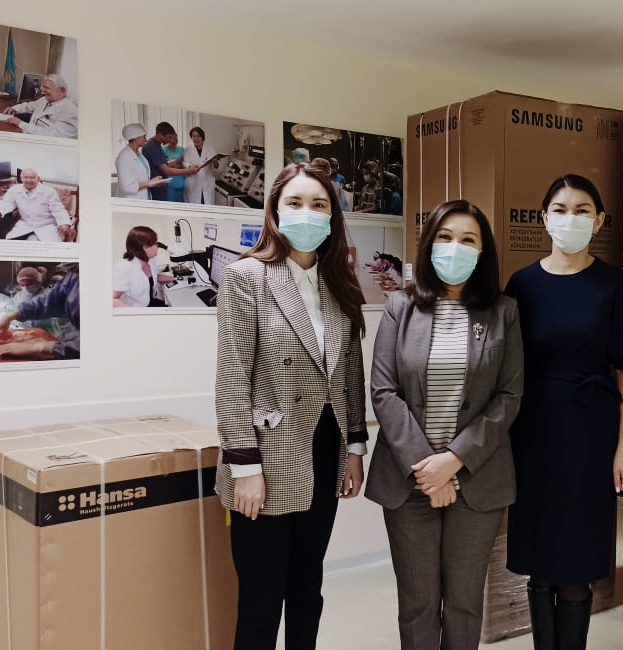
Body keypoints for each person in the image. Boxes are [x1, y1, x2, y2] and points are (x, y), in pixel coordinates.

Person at [215, 161, 368, 650]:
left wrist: (355, 449)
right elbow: (232, 377)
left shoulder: (339, 283)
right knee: (261, 602)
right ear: (275, 211)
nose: (308, 213)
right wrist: (244, 468)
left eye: (319, 204)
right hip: (266, 457)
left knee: (307, 592)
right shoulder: (247, 277)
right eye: (295, 202)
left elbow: (350, 374)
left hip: (324, 452)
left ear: (332, 216)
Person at [367, 199, 524, 650]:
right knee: (417, 604)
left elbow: (509, 396)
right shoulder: (400, 307)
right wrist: (427, 468)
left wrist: (453, 461)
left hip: (477, 480)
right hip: (409, 481)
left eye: (468, 239)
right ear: (429, 244)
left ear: (482, 251)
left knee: (464, 604)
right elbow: (384, 391)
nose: (456, 247)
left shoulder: (504, 311)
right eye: (446, 237)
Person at [506, 174, 623, 650]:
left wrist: (621, 449)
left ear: (599, 221)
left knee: (575, 566)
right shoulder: (522, 284)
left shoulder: (614, 284)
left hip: (591, 434)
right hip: (533, 434)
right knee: (540, 564)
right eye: (560, 209)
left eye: (582, 210)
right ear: (543, 218)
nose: (571, 219)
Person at [0, 265, 81, 359]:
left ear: (38, 282)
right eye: (23, 284)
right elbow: (50, 301)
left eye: (29, 283)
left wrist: (43, 347)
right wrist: (10, 316)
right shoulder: (73, 278)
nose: (26, 287)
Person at [0, 169, 74, 242]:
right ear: (21, 178)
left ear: (38, 179)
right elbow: (7, 202)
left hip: (46, 225)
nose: (29, 180)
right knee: (11, 242)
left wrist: (64, 223)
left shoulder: (49, 191)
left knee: (33, 242)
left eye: (32, 178)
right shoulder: (15, 190)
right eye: (26, 177)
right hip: (26, 224)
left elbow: (58, 209)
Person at [113, 226, 174, 308]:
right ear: (145, 247)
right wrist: (135, 314)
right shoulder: (124, 267)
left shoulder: (150, 259)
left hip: (150, 302)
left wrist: (176, 279)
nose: (158, 247)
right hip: (137, 309)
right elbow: (114, 299)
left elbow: (155, 276)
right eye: (156, 244)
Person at [3, 74, 79, 139]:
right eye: (42, 87)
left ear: (62, 90)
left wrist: (21, 124)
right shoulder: (46, 99)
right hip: (30, 137)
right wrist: (15, 109)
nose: (42, 90)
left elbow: (54, 137)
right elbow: (30, 106)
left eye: (46, 87)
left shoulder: (70, 112)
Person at [142, 122, 198, 201]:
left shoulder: (157, 145)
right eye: (169, 137)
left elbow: (164, 164)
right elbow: (166, 170)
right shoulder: (152, 146)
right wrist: (189, 170)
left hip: (161, 187)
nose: (169, 140)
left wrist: (178, 161)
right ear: (160, 134)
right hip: (157, 189)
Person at [115, 123, 167, 200]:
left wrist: (154, 183)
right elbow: (126, 187)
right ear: (135, 138)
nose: (146, 140)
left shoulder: (140, 156)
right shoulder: (124, 157)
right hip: (131, 201)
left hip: (144, 198)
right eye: (144, 137)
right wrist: (150, 183)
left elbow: (142, 179)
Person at [184, 127, 221, 204]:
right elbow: (184, 162)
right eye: (193, 136)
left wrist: (215, 162)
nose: (196, 138)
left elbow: (216, 166)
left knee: (206, 205)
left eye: (198, 136)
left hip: (207, 183)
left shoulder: (210, 149)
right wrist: (189, 166)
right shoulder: (187, 149)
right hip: (193, 183)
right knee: (195, 207)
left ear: (202, 137)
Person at [163, 136, 188, 202]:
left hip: (181, 182)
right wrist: (175, 163)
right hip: (169, 183)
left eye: (176, 139)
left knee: (181, 203)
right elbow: (165, 165)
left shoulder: (181, 150)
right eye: (172, 139)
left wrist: (173, 164)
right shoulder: (164, 150)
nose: (174, 141)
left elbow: (184, 164)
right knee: (170, 203)